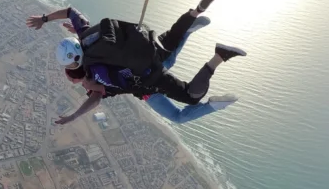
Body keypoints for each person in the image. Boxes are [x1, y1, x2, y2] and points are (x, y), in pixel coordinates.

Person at [26, 0, 246, 107]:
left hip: (151, 72)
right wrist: (44, 19)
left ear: (75, 63)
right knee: (173, 35)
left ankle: (218, 56)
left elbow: (99, 94)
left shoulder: (93, 72)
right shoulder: (85, 35)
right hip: (147, 42)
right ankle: (196, 11)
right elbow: (69, 11)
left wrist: (76, 112)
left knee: (191, 96)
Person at [58, 15, 238, 125]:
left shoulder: (93, 82)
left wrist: (74, 116)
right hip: (144, 66)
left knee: (178, 116)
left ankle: (214, 105)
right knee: (165, 55)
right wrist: (78, 32)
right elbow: (91, 39)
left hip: (147, 89)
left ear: (76, 78)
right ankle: (186, 31)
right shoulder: (95, 60)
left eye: (72, 78)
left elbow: (95, 99)